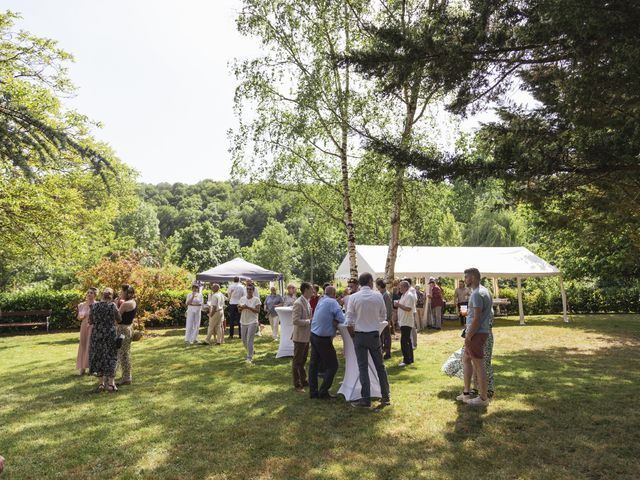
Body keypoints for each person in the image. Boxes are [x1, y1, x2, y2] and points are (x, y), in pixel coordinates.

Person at [345, 273, 391, 408]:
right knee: (380, 367)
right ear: (370, 282)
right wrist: (373, 321)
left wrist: (354, 336)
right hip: (373, 335)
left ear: (360, 283)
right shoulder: (378, 296)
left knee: (363, 368)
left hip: (359, 335)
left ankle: (366, 399)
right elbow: (383, 316)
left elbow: (349, 321)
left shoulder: (353, 297)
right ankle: (385, 396)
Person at [456, 267, 493, 407]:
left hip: (476, 333)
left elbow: (477, 318)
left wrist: (469, 335)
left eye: (466, 277)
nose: (464, 280)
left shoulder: (477, 294)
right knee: (466, 359)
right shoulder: (483, 291)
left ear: (472, 277)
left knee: (479, 365)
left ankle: (483, 398)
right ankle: (467, 392)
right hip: (476, 332)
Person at [308, 285, 345, 399]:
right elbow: (342, 318)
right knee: (333, 365)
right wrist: (335, 318)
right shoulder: (332, 302)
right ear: (334, 294)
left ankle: (313, 392)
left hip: (314, 334)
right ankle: (323, 391)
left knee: (313, 365)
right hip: (322, 338)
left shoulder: (321, 300)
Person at [89, 288, 121, 392]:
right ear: (111, 296)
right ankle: (111, 384)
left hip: (97, 334)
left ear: (102, 295)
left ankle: (101, 384)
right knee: (111, 356)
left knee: (99, 356)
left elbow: (90, 320)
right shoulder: (112, 306)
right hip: (110, 334)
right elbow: (119, 319)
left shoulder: (94, 306)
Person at [291, 282, 313, 392]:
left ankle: (303, 380)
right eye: (311, 289)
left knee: (303, 360)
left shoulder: (306, 302)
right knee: (297, 361)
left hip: (305, 336)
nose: (313, 291)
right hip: (299, 336)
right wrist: (309, 321)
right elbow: (295, 320)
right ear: (305, 290)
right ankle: (297, 384)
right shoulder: (298, 303)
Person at [116, 286, 137, 386]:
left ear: (127, 293)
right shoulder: (133, 302)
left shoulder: (125, 304)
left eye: (121, 291)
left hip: (122, 330)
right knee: (126, 353)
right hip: (129, 329)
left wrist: (115, 304)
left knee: (118, 353)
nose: (120, 293)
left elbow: (117, 317)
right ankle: (127, 377)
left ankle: (110, 378)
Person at [76, 287, 97, 375]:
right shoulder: (81, 305)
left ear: (95, 295)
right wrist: (80, 316)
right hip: (84, 326)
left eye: (91, 293)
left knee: (91, 346)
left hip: (93, 327)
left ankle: (92, 368)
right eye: (88, 292)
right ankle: (82, 367)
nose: (89, 294)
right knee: (83, 345)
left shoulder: (97, 305)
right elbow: (78, 317)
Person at [238, 284, 261, 363]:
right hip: (243, 320)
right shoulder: (242, 298)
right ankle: (251, 350)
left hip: (253, 321)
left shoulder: (256, 299)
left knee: (249, 340)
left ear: (253, 290)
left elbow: (258, 311)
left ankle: (249, 357)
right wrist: (241, 307)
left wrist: (248, 307)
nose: (249, 290)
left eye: (250, 289)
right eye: (247, 289)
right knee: (243, 339)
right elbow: (239, 310)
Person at [396, 280, 416, 367]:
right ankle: (410, 359)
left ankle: (406, 360)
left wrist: (398, 305)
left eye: (400, 286)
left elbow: (408, 309)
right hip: (403, 320)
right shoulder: (404, 295)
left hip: (407, 321)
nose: (399, 288)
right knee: (407, 340)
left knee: (404, 341)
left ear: (405, 287)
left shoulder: (409, 295)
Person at [376, 278, 393, 360]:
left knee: (387, 336)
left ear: (379, 285)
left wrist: (388, 319)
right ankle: (382, 351)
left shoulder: (386, 294)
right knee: (382, 336)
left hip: (386, 319)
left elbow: (389, 307)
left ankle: (388, 352)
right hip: (381, 318)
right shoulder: (381, 293)